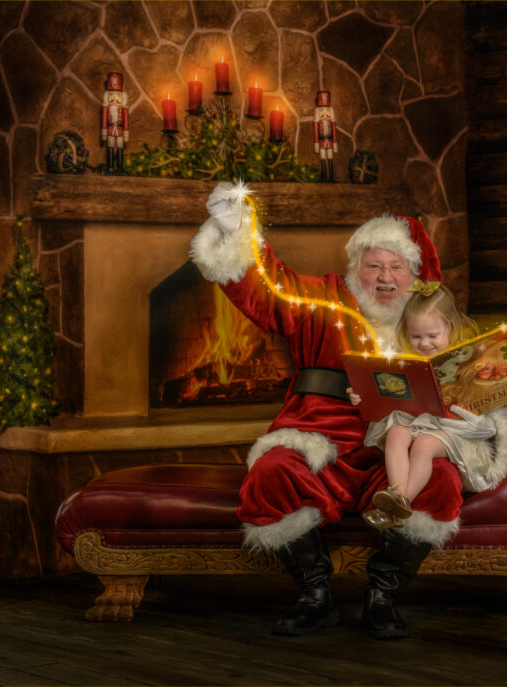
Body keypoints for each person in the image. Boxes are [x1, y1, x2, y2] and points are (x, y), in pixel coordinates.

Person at [190, 181, 461, 641]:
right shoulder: (322, 299)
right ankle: (315, 595)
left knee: (440, 481)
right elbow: (269, 288)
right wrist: (236, 227)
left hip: (396, 447)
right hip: (320, 435)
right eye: (374, 264)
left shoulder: (428, 320)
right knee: (272, 472)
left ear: (413, 274)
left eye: (397, 267)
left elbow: (462, 381)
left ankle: (383, 595)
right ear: (356, 266)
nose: (385, 276)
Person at [346, 282, 507, 530]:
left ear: (451, 327)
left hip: (455, 432)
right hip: (415, 422)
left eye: (432, 336)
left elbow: (499, 398)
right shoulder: (406, 359)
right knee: (396, 432)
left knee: (424, 445)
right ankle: (396, 494)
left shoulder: (472, 360)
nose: (424, 343)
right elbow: (382, 395)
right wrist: (361, 394)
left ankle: (399, 504)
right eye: (416, 336)